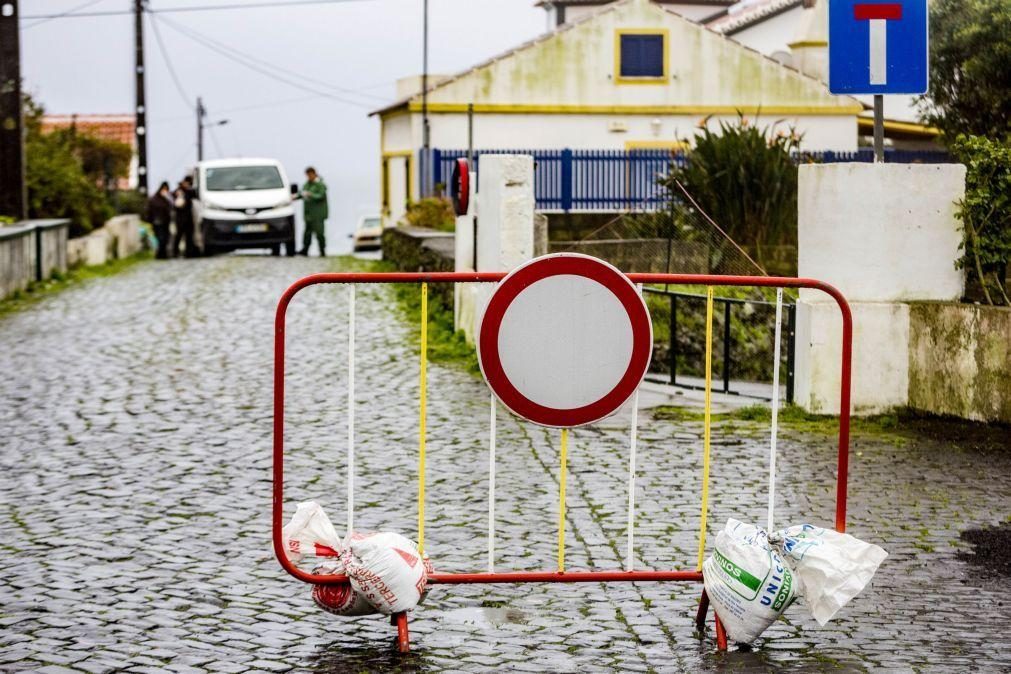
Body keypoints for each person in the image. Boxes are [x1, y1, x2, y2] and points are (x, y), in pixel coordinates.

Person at [299, 166, 328, 256]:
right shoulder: (307, 184)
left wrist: (311, 194)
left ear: (314, 173)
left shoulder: (320, 184)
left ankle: (322, 250)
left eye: (310, 175)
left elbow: (321, 196)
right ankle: (305, 250)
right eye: (307, 175)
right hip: (308, 214)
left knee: (319, 233)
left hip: (318, 214)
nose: (309, 177)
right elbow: (302, 193)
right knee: (307, 233)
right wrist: (296, 196)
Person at [172, 176, 199, 258]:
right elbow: (173, 198)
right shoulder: (178, 190)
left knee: (189, 236)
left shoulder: (189, 191)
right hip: (180, 218)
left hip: (188, 218)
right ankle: (175, 252)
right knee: (178, 236)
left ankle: (188, 252)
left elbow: (194, 195)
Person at [145, 182, 173, 260]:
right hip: (157, 221)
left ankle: (162, 253)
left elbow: (171, 208)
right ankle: (160, 254)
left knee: (165, 238)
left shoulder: (167, 199)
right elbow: (149, 211)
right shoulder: (154, 199)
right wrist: (149, 220)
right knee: (161, 238)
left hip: (165, 221)